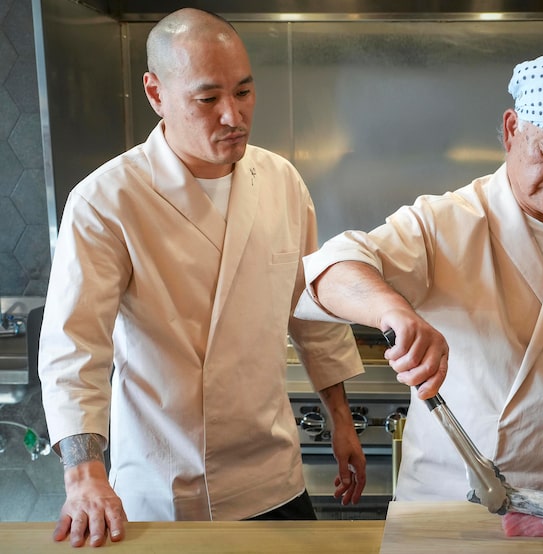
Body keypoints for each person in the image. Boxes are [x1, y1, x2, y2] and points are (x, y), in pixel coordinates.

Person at [295, 50, 543, 520]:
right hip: (446, 504)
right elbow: (330, 269)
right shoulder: (447, 222)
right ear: (511, 129)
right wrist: (392, 311)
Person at [38, 8, 373, 547]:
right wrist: (84, 477)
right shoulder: (106, 200)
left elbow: (311, 313)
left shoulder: (281, 181)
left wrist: (341, 418)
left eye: (244, 92)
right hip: (165, 488)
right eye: (208, 98)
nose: (233, 116)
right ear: (156, 93)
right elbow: (75, 347)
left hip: (272, 477)